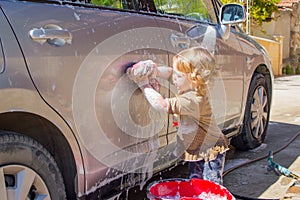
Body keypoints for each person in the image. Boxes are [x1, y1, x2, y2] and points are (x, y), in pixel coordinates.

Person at [126, 47, 229, 185]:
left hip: (210, 152)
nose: (173, 77)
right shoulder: (189, 86)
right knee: (196, 183)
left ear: (194, 79)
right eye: (175, 73)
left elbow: (161, 105)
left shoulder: (194, 99)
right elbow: (169, 72)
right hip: (197, 148)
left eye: (178, 76)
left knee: (210, 186)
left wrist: (144, 84)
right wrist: (153, 70)